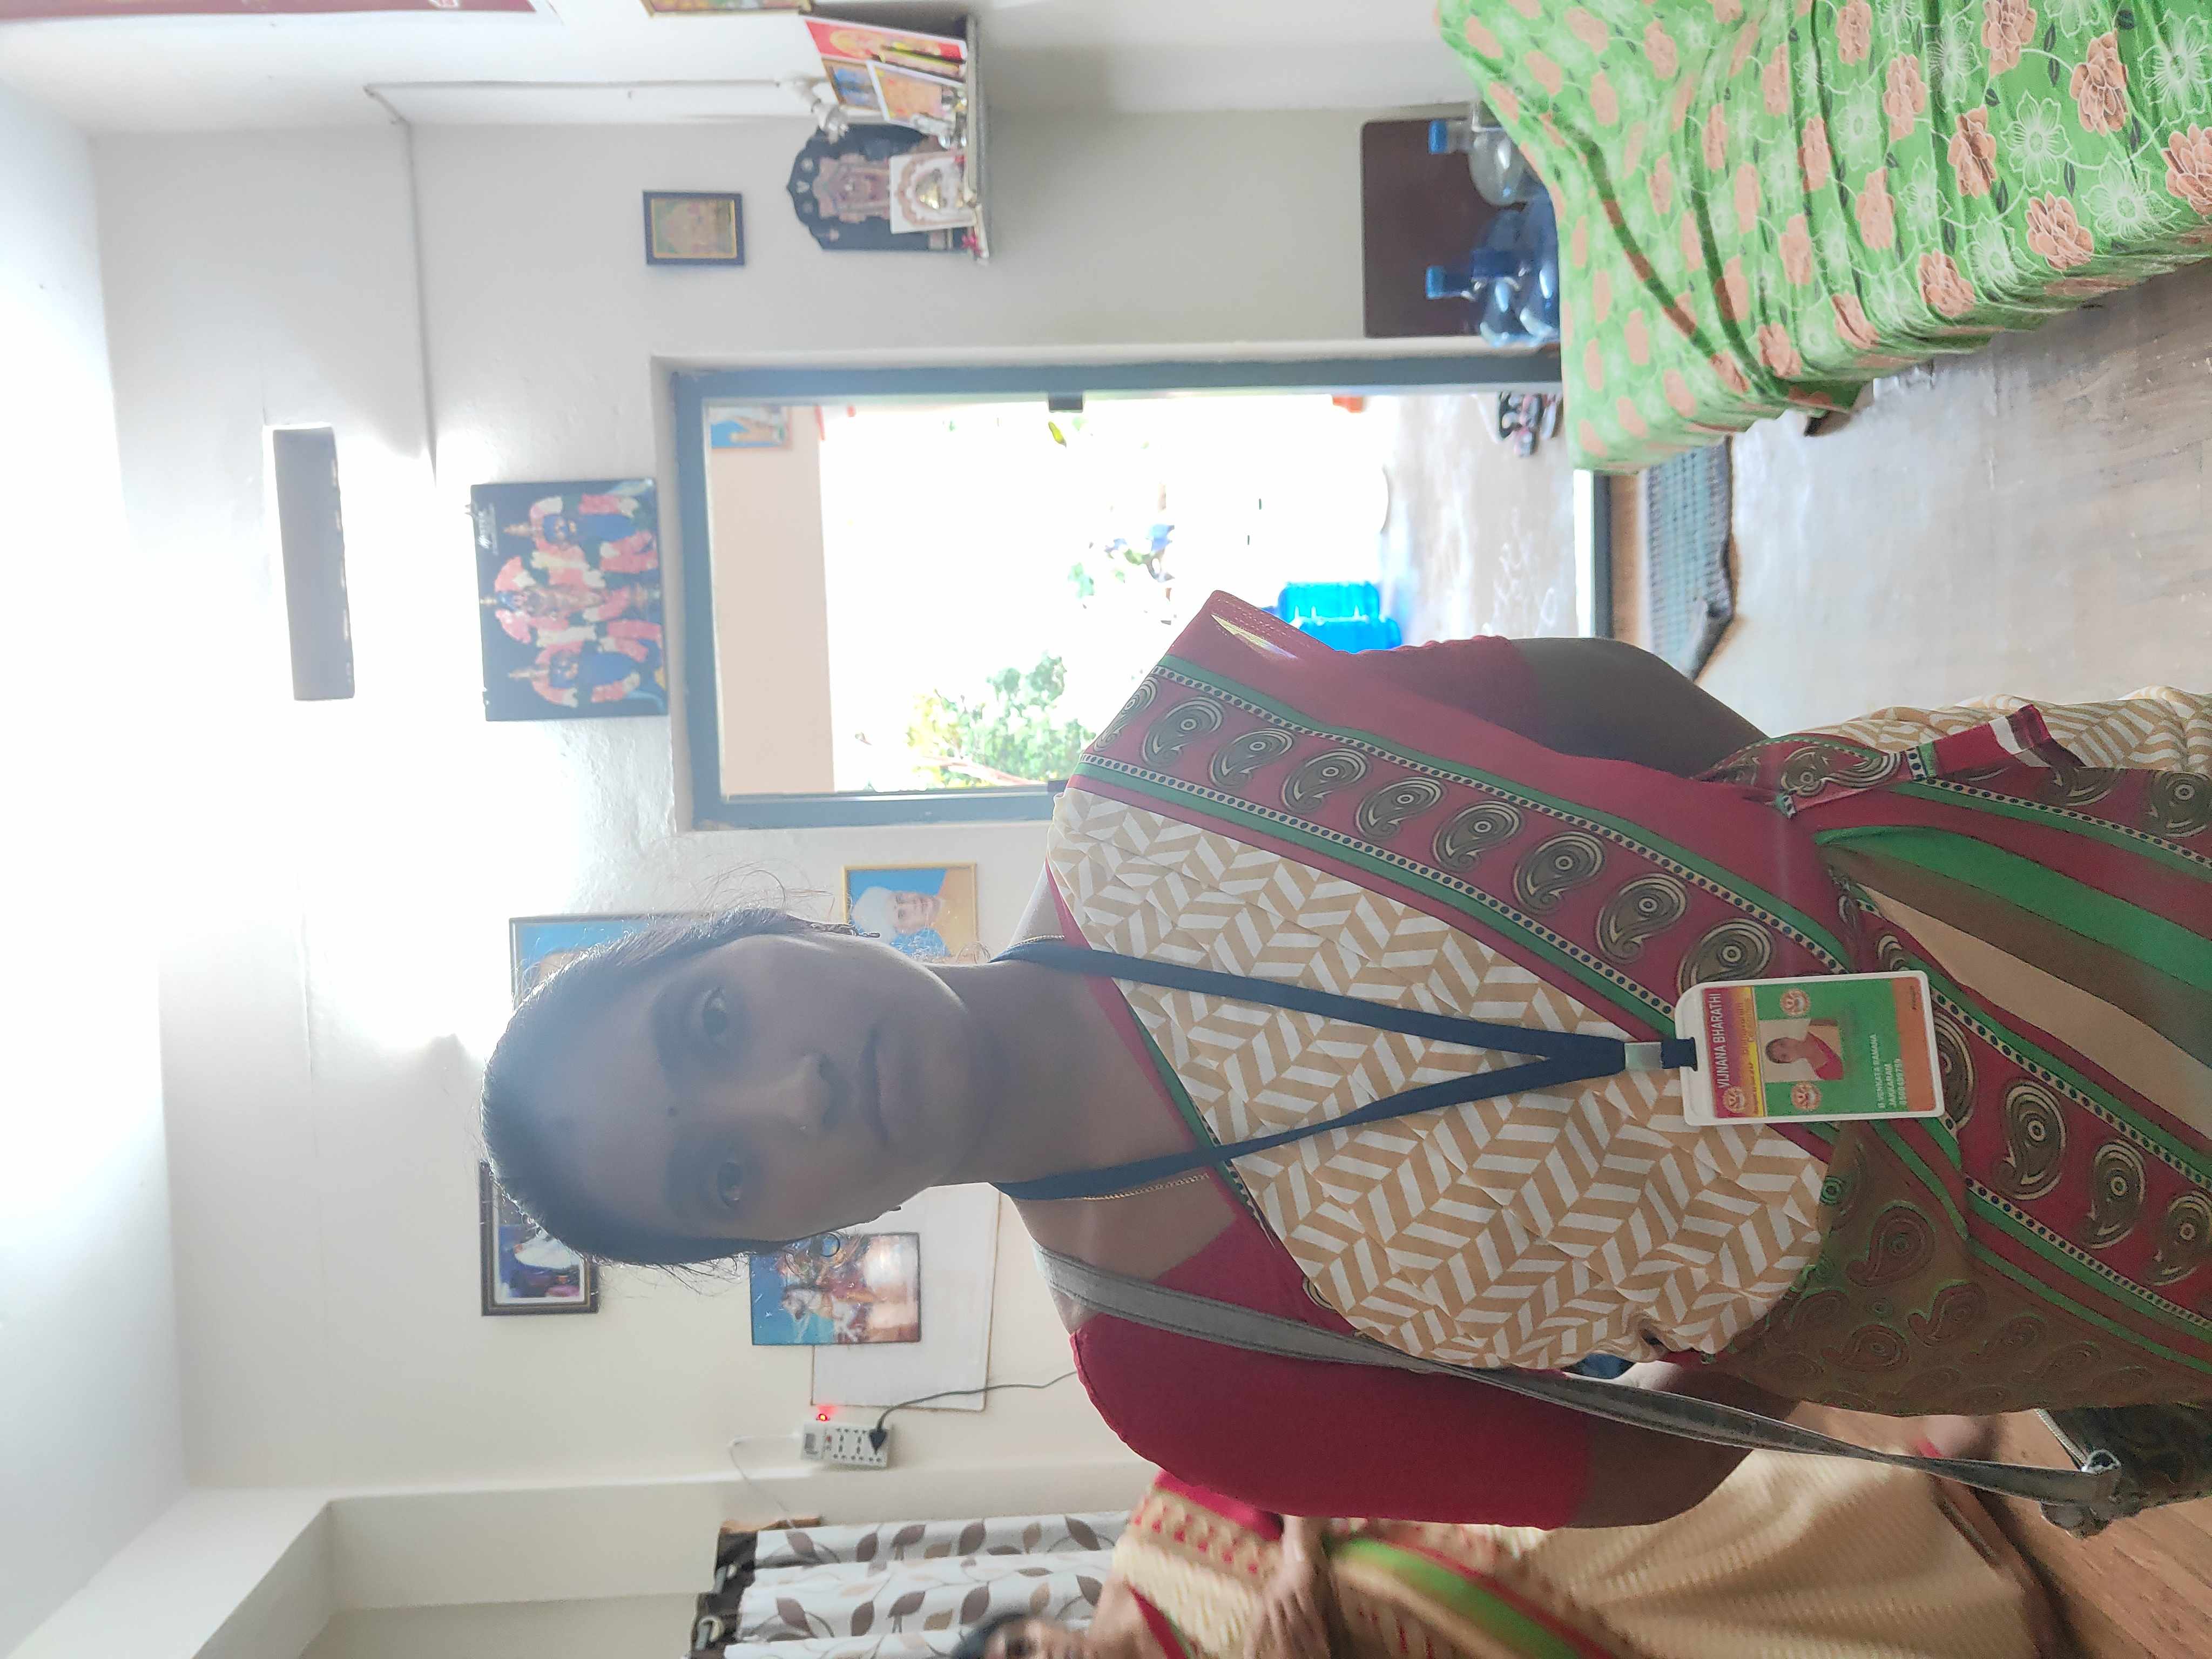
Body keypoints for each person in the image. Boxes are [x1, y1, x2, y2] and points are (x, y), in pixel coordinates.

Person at [481, 590, 2212, 1529]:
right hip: (2055, 1267)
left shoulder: (1175, 772)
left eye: (713, 1025)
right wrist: (1811, 1277)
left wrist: (1791, 892)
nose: (785, 1094)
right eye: (724, 1170)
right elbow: (1628, 1468)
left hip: (2053, 878)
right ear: (792, 1236)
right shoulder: (1181, 1374)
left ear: (753, 935)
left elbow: (1594, 691)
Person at [951, 1443, 2058, 1659]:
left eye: (1016, 1653)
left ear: (1034, 1620)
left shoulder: (1152, 1544)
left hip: (1463, 1542)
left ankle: (1914, 1489)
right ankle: (1961, 1625)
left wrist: (1294, 1565)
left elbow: (1286, 1466)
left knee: (1690, 1533)